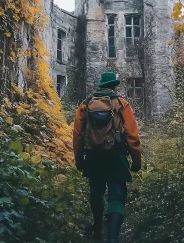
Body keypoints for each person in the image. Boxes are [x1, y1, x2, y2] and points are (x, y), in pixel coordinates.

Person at [73, 72, 142, 243]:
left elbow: (77, 135)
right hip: (116, 156)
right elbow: (132, 136)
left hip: (93, 157)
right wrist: (136, 161)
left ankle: (97, 230)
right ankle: (112, 238)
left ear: (101, 85)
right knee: (116, 197)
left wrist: (79, 160)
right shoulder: (121, 103)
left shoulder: (85, 104)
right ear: (114, 86)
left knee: (96, 193)